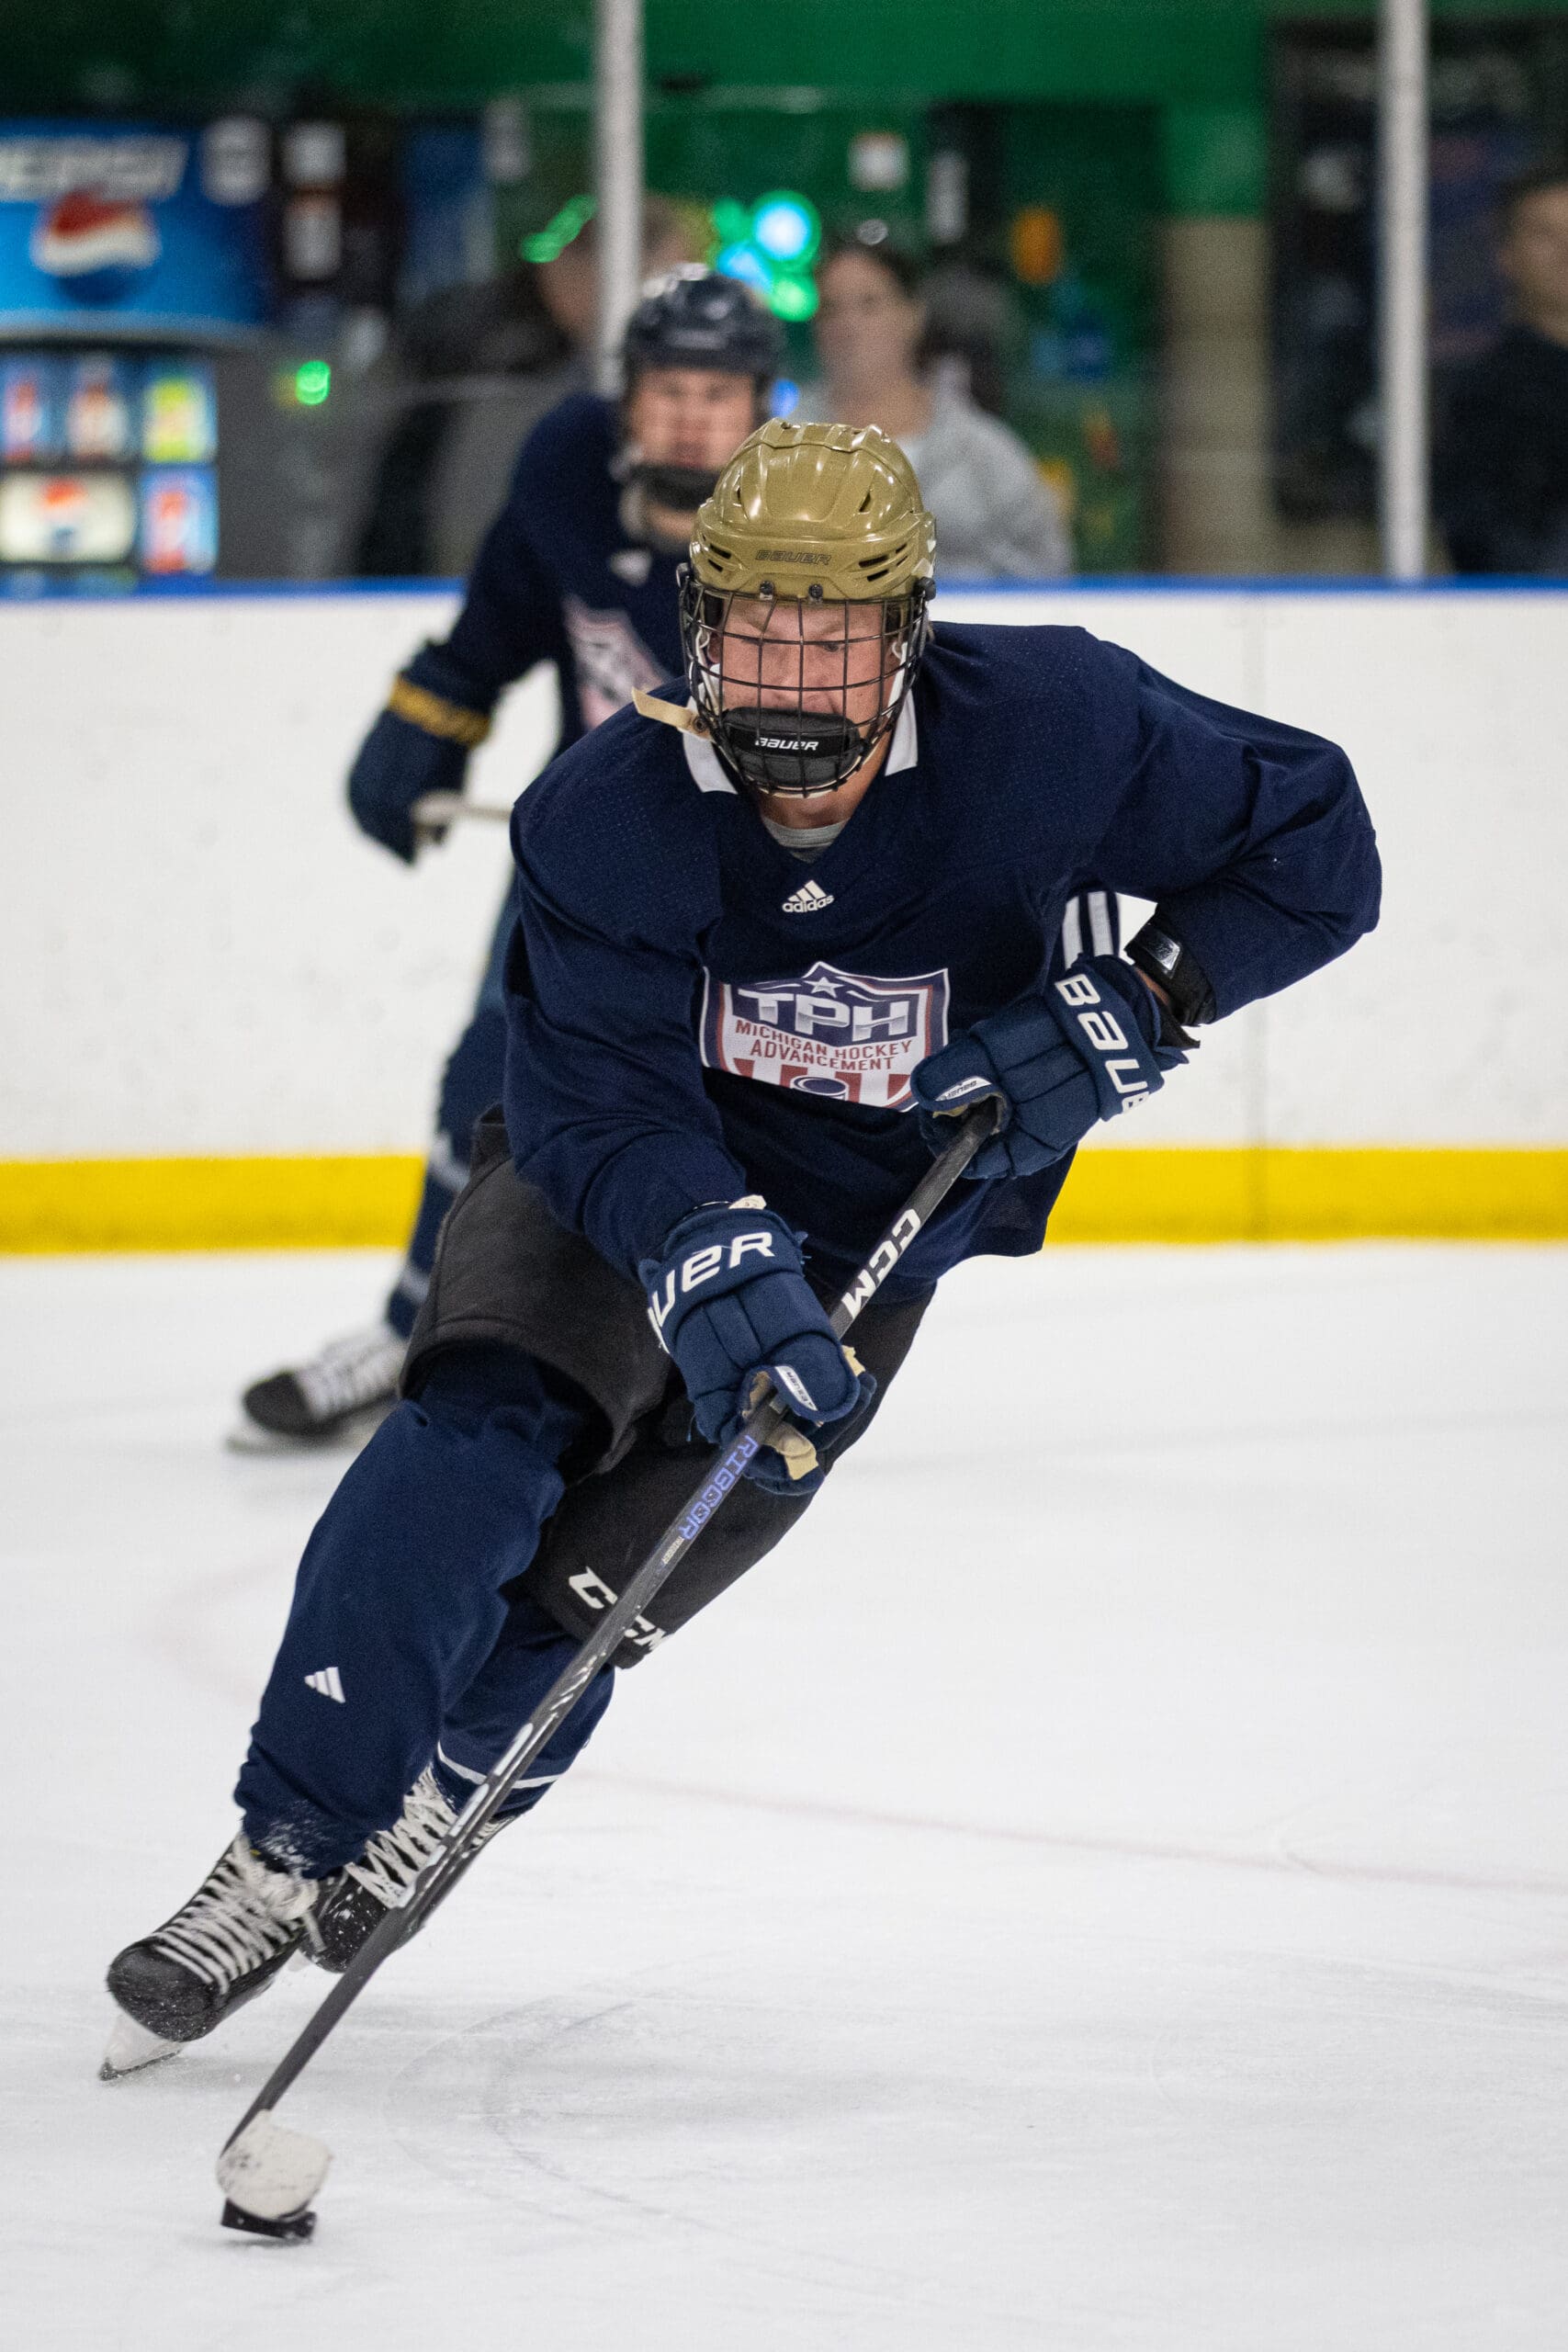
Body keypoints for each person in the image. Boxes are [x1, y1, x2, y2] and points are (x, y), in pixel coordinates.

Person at [106, 420, 1379, 2070]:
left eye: (831, 640)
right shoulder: (603, 812)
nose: (788, 683)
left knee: (611, 1578)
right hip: (612, 1182)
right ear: (697, 625)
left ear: (907, 635)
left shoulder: (1058, 727)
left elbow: (1316, 844)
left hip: (871, 1223)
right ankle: (281, 1848)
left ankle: (451, 1784)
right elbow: (595, 1095)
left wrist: (1150, 995)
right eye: (756, 634)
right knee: (473, 1438)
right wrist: (701, 1244)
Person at [232, 267, 784, 1450]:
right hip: (581, 862)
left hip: (752, 887)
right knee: (489, 1082)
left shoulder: (806, 528)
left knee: (729, 1118)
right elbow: (499, 623)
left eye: (718, 394)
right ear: (628, 397)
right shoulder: (567, 470)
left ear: (760, 407)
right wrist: (432, 717)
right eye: (670, 390)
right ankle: (413, 1331)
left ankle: (712, 1357)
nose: (692, 418)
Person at [805, 236, 1073, 579]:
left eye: (868, 304)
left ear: (913, 314)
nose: (847, 325)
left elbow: (1049, 577)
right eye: (831, 307)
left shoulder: (984, 454)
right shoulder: (781, 450)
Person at [1436, 164, 1568, 575]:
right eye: (1544, 235)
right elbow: (1487, 545)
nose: (1566, 250)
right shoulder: (1484, 397)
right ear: (1506, 256)